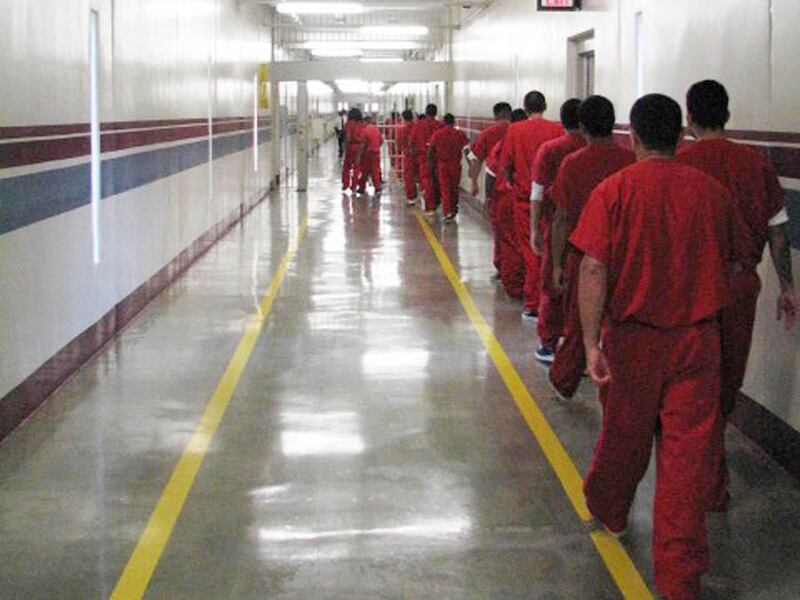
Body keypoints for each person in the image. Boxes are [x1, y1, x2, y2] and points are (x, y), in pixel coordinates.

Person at [574, 94, 741, 600]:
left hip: (634, 340)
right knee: (687, 461)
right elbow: (736, 262)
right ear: (681, 134)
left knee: (625, 435)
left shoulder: (615, 190)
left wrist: (589, 345)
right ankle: (679, 578)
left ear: (636, 137)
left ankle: (611, 511)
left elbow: (595, 267)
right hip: (697, 342)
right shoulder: (712, 192)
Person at [676, 79, 798, 510]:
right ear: (727, 114)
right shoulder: (755, 164)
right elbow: (778, 233)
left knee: (691, 388)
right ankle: (711, 477)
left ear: (689, 117)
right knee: (726, 382)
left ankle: (701, 481)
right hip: (739, 288)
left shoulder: (678, 162)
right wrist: (788, 288)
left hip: (688, 290)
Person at [547, 96, 635, 398]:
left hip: (582, 256)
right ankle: (617, 381)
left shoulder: (572, 164)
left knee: (578, 323)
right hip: (624, 261)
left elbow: (561, 217)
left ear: (582, 126)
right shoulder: (631, 162)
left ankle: (564, 380)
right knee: (621, 327)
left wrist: (557, 264)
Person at [529, 98, 585, 363]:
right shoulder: (598, 151)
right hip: (596, 232)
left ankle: (550, 344)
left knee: (553, 283)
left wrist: (534, 229)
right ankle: (584, 345)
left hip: (559, 226)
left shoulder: (551, 149)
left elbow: (538, 192)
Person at [499, 91, 563, 320]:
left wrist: (510, 183)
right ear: (545, 106)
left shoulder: (515, 130)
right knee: (552, 249)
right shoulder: (556, 129)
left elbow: (506, 163)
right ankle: (552, 300)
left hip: (524, 199)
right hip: (551, 200)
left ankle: (534, 303)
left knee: (530, 250)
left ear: (525, 108)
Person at [466, 102, 513, 275]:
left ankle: (503, 267)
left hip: (497, 189)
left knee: (500, 231)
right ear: (510, 114)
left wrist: (473, 183)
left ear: (495, 116)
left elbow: (475, 160)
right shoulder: (517, 130)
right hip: (519, 188)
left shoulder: (488, 133)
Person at [488, 108, 528, 298]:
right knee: (529, 243)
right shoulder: (547, 139)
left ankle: (513, 284)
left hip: (506, 197)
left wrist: (490, 199)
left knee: (508, 241)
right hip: (533, 200)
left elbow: (492, 172)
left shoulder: (504, 143)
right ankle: (530, 285)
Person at [428, 113, 470, 223]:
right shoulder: (460, 134)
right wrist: (471, 164)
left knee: (445, 189)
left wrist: (430, 163)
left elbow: (431, 150)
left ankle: (447, 213)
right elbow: (466, 150)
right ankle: (453, 208)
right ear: (454, 122)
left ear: (443, 122)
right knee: (454, 188)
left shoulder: (438, 134)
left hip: (442, 166)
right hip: (456, 166)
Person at [409, 104, 444, 214]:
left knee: (427, 181)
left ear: (426, 112)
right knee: (437, 180)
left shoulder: (419, 125)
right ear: (435, 113)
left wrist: (413, 153)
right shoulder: (440, 125)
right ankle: (437, 202)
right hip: (437, 157)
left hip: (423, 157)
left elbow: (412, 141)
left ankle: (430, 207)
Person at [356, 114, 383, 194]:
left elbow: (363, 144)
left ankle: (362, 187)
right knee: (375, 170)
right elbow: (381, 140)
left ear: (366, 121)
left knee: (365, 171)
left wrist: (359, 156)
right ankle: (377, 187)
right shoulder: (377, 129)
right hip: (376, 153)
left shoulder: (365, 130)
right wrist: (376, 146)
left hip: (368, 153)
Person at [397, 110, 419, 206]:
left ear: (403, 118)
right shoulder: (417, 127)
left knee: (409, 177)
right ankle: (427, 196)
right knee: (422, 176)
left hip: (409, 156)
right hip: (420, 155)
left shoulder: (402, 130)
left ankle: (411, 198)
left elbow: (399, 143)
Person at [341, 108, 363, 192]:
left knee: (347, 166)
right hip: (360, 146)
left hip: (351, 146)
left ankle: (345, 184)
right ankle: (354, 186)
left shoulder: (349, 124)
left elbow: (348, 137)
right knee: (357, 167)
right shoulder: (362, 124)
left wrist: (345, 147)